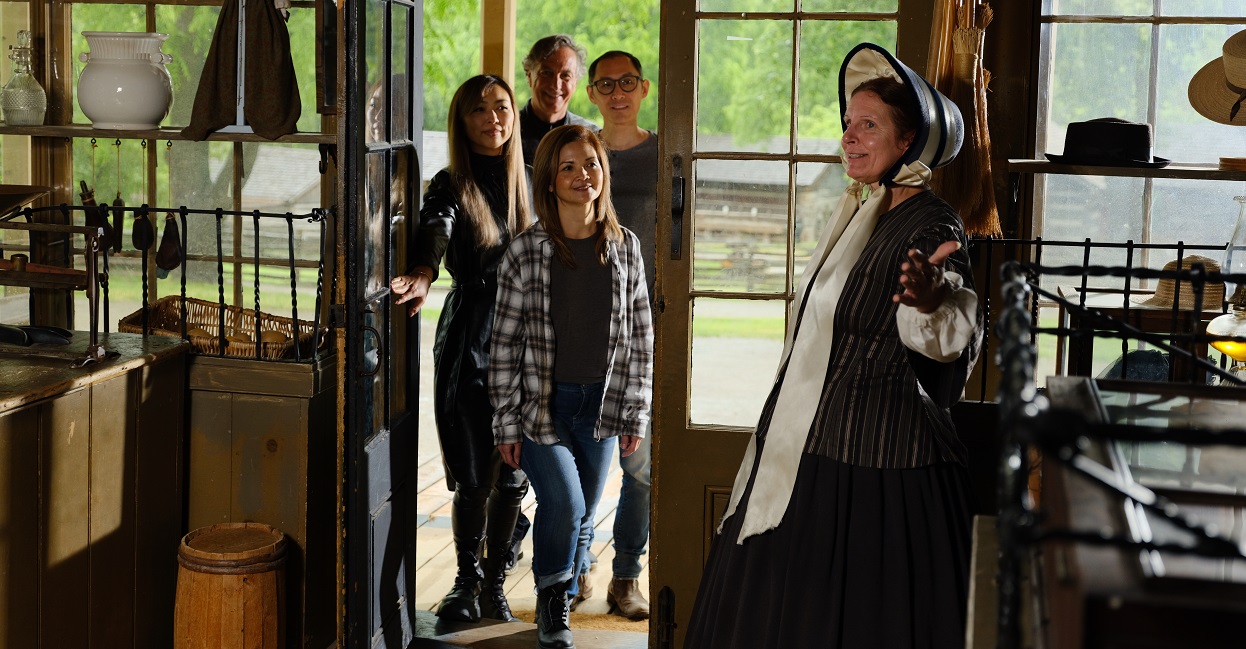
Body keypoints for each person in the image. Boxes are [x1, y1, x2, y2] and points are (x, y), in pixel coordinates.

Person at [683, 42, 979, 648]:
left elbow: (951, 321)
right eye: (848, 124)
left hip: (879, 458)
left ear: (909, 142)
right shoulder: (859, 211)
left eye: (869, 125)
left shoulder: (932, 224)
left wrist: (928, 301)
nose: (850, 137)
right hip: (808, 437)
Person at [490, 124, 653, 649]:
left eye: (591, 164)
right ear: (549, 180)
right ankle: (552, 600)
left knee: (581, 513)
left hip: (603, 407)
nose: (583, 175)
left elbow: (641, 337)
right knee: (564, 502)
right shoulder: (526, 251)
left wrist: (636, 413)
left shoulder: (625, 247)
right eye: (568, 166)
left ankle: (568, 576)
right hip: (542, 406)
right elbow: (504, 348)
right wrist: (506, 421)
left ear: (604, 173)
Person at [389, 74, 531, 624]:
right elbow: (435, 229)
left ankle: (496, 583)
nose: (493, 117)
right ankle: (465, 582)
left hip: (527, 340)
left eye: (501, 106)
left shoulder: (534, 180)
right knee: (474, 472)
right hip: (471, 333)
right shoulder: (450, 183)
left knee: (514, 474)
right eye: (479, 109)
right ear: (461, 121)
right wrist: (423, 271)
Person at [584, 49, 657, 621]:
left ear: (645, 88)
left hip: (647, 325)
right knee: (586, 461)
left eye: (627, 82)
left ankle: (627, 575)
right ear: (591, 94)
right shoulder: (580, 154)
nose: (617, 92)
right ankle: (577, 565)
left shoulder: (666, 152)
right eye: (605, 83)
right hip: (584, 325)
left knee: (642, 468)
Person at [518, 34, 599, 165]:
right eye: (546, 73)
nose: (556, 85)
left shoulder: (592, 136)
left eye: (565, 75)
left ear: (576, 82)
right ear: (529, 77)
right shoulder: (507, 133)